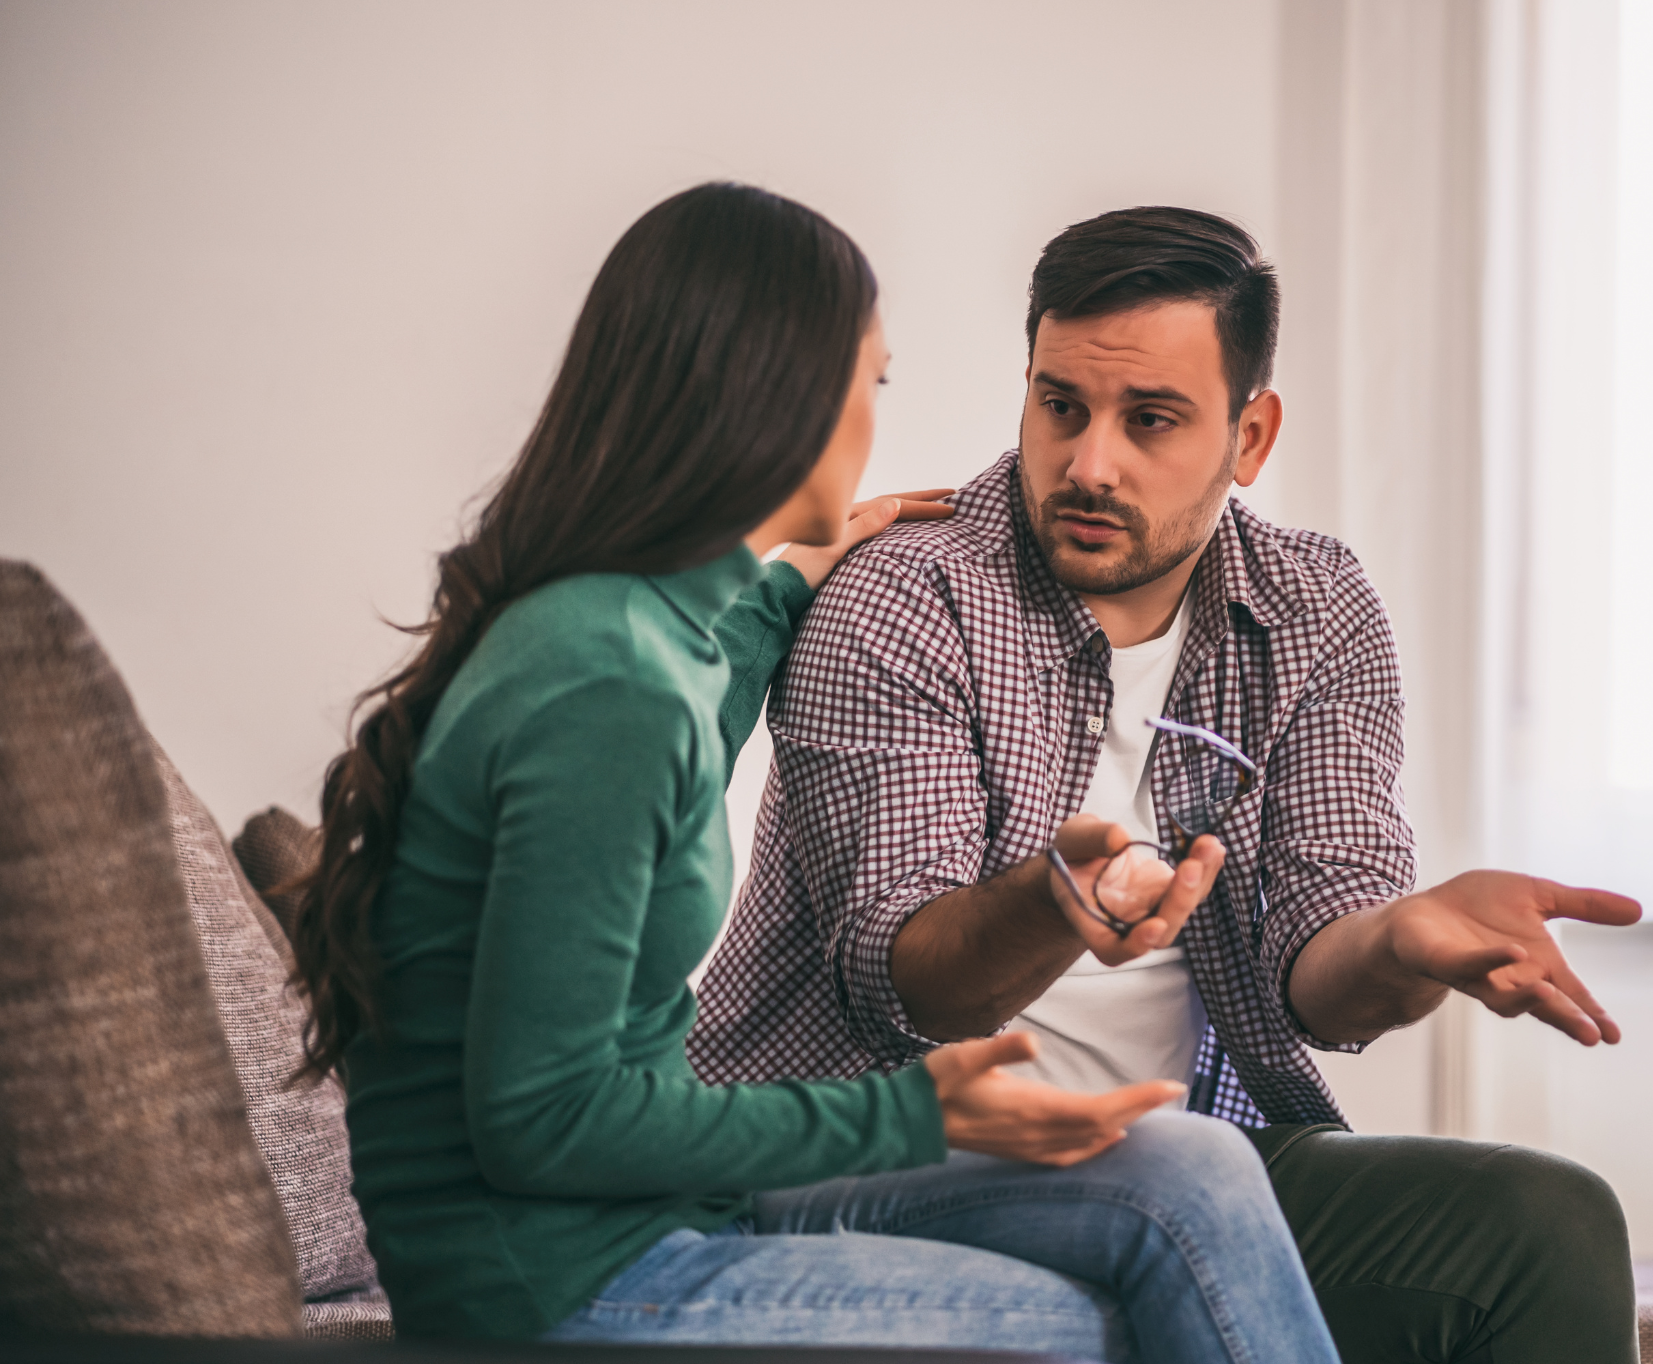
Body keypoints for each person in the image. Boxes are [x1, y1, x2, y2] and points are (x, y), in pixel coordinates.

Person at [288, 183, 1341, 1363]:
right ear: (773, 396)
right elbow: (543, 1121)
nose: (876, 418)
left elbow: (680, 706)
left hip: (642, 1223)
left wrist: (782, 584)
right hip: (554, 1281)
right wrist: (916, 1106)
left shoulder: (625, 637)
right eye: (871, 381)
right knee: (1078, 1332)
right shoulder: (602, 678)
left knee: (1186, 1169)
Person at [691, 205, 1647, 1364]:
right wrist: (1053, 902)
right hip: (861, 1149)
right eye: (1060, 407)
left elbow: (1319, 977)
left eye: (1150, 420)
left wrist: (1404, 943)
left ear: (1249, 437)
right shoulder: (903, 595)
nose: (1089, 463)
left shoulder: (1312, 609)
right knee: (1174, 1183)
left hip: (1180, 1151)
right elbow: (912, 984)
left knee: (1541, 1224)